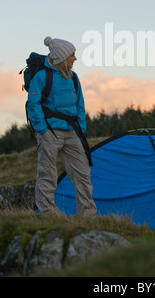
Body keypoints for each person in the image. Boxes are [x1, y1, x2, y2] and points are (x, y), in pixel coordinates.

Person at [27, 36, 97, 217]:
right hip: (50, 132)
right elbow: (33, 105)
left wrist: (81, 127)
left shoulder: (74, 78)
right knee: (47, 173)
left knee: (82, 174)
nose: (75, 59)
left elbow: (80, 104)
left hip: (73, 132)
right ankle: (47, 213)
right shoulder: (41, 77)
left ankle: (87, 215)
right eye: (72, 55)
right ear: (60, 58)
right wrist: (43, 130)